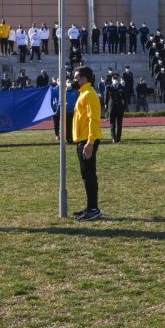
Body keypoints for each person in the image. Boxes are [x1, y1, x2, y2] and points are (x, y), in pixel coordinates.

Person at [72, 66, 103, 221]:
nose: (75, 79)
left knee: (89, 175)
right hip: (83, 139)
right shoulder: (84, 93)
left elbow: (94, 119)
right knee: (87, 175)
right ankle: (91, 206)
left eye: (77, 77)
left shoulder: (89, 94)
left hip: (87, 140)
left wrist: (90, 142)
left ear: (84, 78)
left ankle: (93, 208)